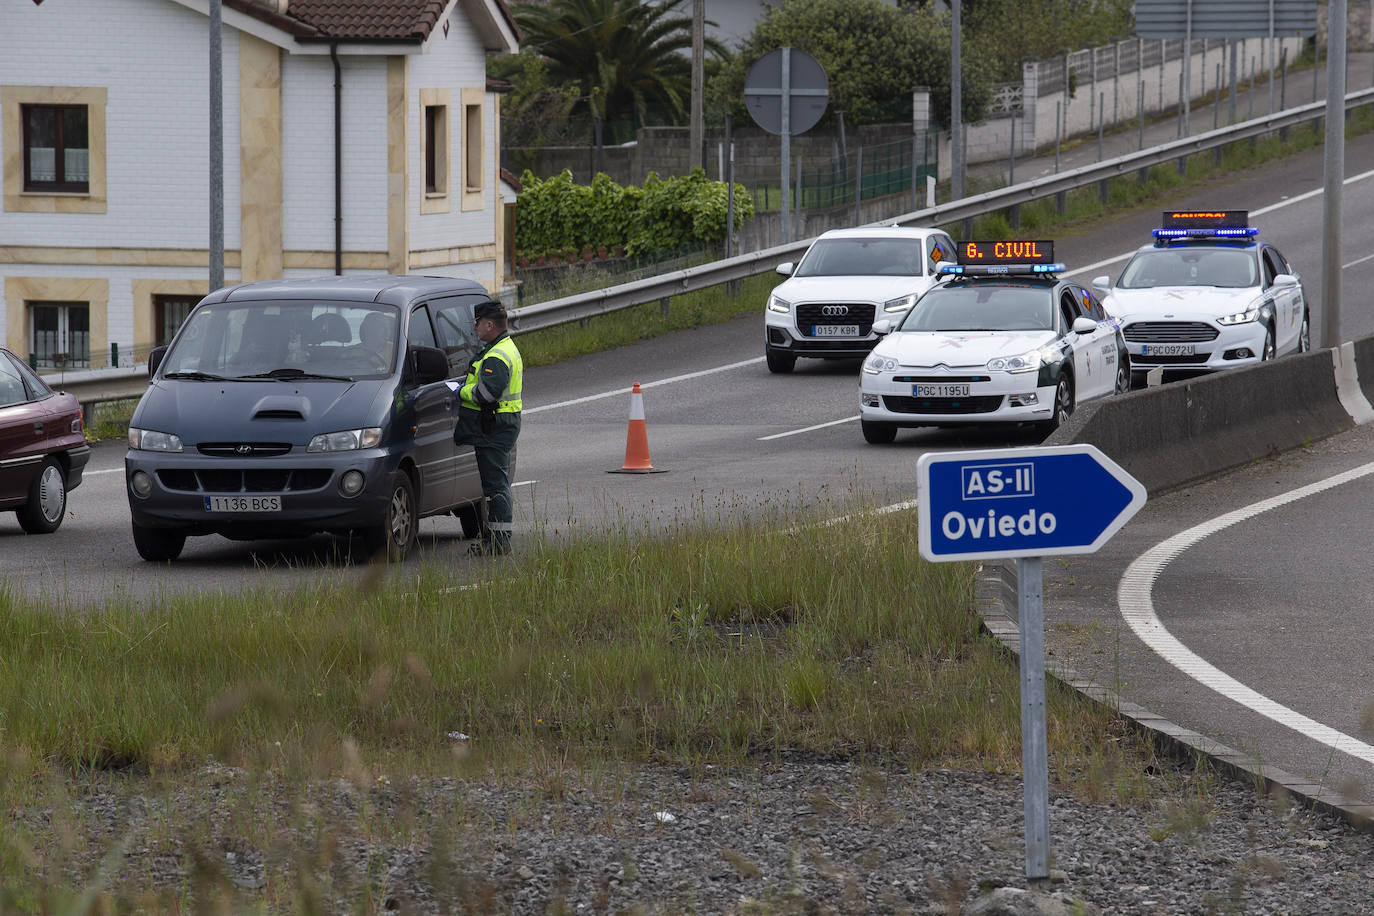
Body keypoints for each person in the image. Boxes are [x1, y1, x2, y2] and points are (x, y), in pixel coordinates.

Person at [453, 301, 523, 556]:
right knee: (496, 483)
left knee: (496, 486)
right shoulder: (502, 348)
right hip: (499, 424)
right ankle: (496, 539)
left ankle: (498, 543)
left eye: (478, 323)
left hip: (495, 426)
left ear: (490, 325)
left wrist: (462, 392)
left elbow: (487, 393)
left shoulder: (496, 356)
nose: (475, 327)